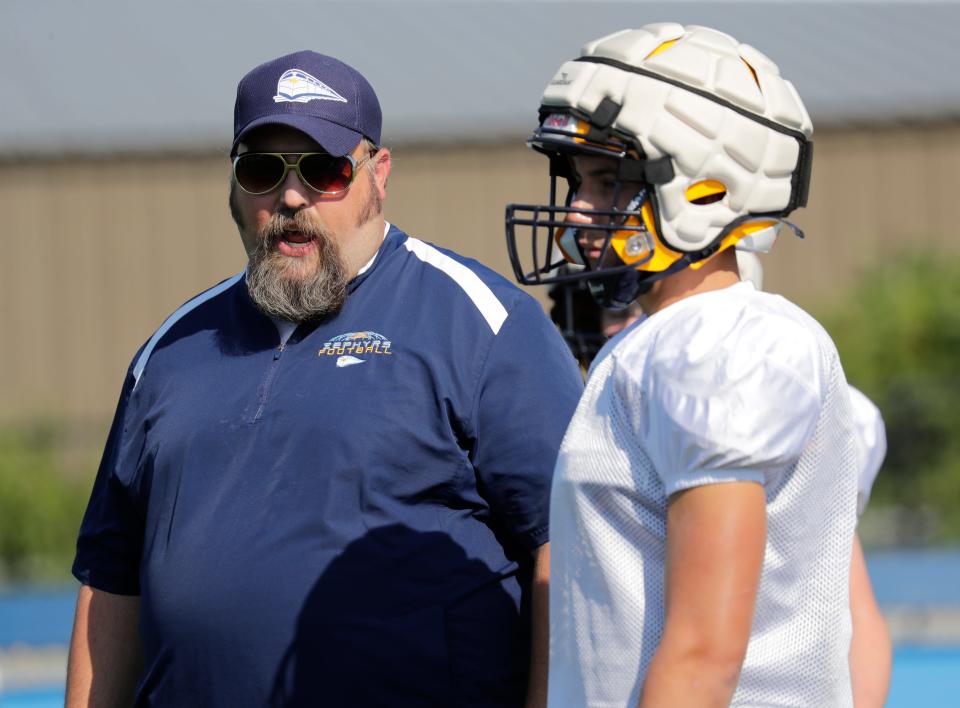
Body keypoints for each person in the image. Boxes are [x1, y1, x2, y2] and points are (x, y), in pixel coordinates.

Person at [66, 50, 582, 707]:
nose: (290, 195)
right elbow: (110, 576)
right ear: (233, 186)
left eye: (324, 169)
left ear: (378, 174)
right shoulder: (170, 351)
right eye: (261, 170)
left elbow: (566, 546)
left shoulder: (480, 322)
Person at [506, 23, 865, 706]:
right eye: (578, 179)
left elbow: (701, 661)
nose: (578, 210)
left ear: (708, 186)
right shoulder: (653, 340)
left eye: (609, 180)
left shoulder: (724, 346)